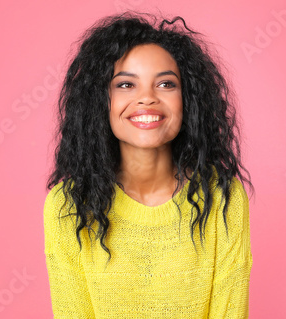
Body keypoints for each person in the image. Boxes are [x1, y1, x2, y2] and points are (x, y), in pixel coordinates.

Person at [43, 10, 255, 319]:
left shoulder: (222, 198)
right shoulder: (68, 206)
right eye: (126, 85)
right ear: (100, 101)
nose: (147, 99)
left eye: (166, 84)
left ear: (189, 99)